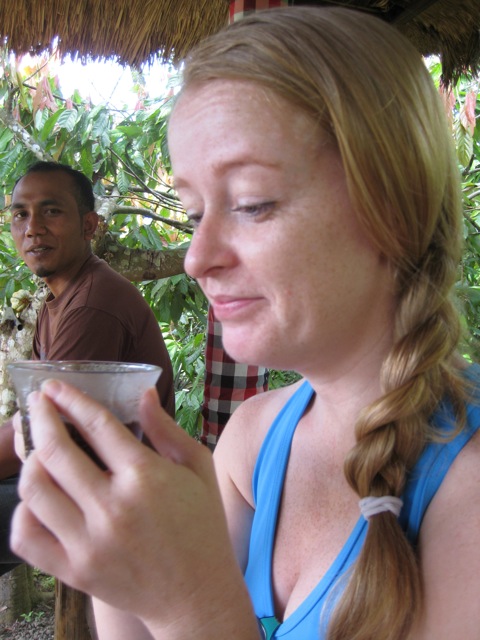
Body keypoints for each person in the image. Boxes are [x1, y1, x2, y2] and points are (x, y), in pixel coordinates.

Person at [9, 6, 480, 640]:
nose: (196, 258)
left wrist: (191, 606)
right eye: (194, 212)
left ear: (394, 206)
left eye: (252, 204)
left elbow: (193, 616)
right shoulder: (255, 441)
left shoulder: (466, 483)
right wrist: (114, 542)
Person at [0, 161, 175, 576]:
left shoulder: (93, 304)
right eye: (21, 214)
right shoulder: (58, 300)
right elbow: (32, 413)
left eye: (51, 211)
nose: (33, 228)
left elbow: (43, 428)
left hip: (118, 494)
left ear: (89, 225)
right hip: (75, 475)